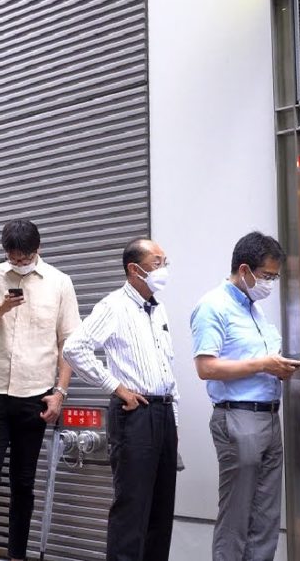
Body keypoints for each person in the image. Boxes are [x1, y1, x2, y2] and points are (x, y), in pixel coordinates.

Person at [0, 219, 80, 561]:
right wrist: (0, 309)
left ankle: (17, 555)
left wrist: (60, 393)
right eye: (12, 257)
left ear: (37, 250)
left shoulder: (60, 283)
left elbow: (68, 344)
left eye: (24, 256)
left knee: (23, 483)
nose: (18, 262)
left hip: (35, 394)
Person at [64, 238, 179, 561]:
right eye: (158, 262)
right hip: (135, 412)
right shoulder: (113, 305)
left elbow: (166, 364)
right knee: (132, 507)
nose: (164, 269)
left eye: (165, 261)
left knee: (161, 508)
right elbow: (74, 348)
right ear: (135, 269)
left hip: (164, 411)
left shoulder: (158, 308)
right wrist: (116, 387)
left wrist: (176, 420)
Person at [191, 231, 300, 561]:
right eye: (267, 276)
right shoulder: (213, 306)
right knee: (237, 514)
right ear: (244, 270)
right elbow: (206, 368)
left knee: (267, 515)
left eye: (274, 277)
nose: (270, 283)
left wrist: (278, 366)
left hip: (268, 415)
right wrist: (262, 364)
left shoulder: (255, 310)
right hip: (238, 417)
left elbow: (259, 362)